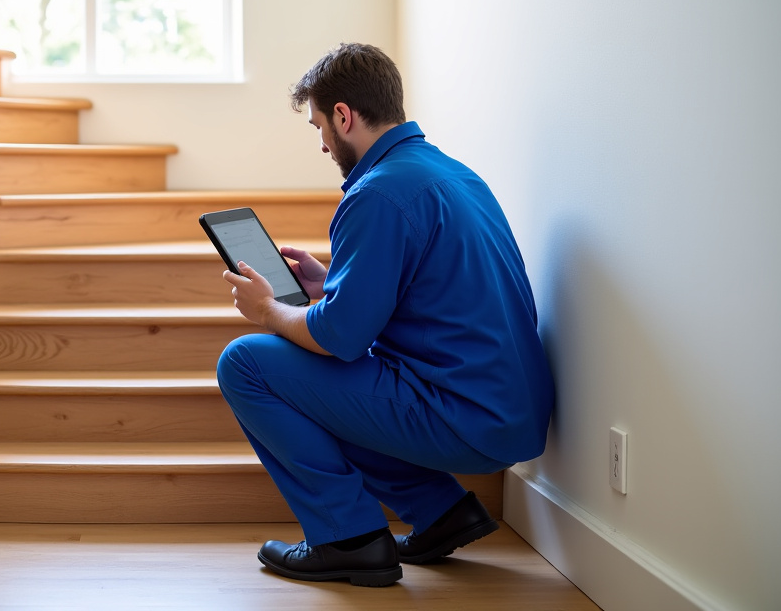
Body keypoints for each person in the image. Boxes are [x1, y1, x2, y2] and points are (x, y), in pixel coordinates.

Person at [216, 43, 554, 587]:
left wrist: (269, 310)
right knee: (322, 382)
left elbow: (338, 340)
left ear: (344, 116)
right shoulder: (448, 172)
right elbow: (425, 293)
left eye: (318, 126)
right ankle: (443, 513)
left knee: (247, 363)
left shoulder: (376, 194)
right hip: (509, 409)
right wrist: (332, 284)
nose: (323, 144)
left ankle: (347, 539)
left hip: (466, 417)